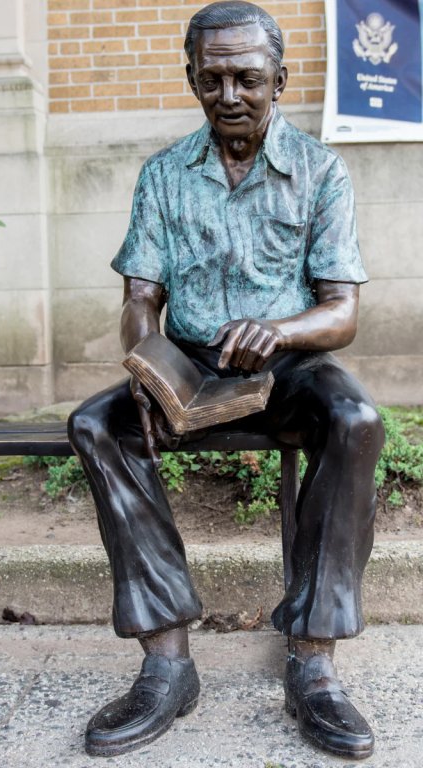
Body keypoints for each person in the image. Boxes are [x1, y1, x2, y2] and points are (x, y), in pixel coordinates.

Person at [67, 1, 385, 760]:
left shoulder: (319, 171)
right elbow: (140, 300)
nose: (231, 94)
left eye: (248, 77)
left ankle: (313, 662)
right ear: (192, 79)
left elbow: (341, 312)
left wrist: (279, 331)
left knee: (358, 421)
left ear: (281, 77)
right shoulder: (165, 176)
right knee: (95, 423)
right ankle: (166, 661)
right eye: (213, 79)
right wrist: (146, 362)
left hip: (292, 365)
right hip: (191, 366)